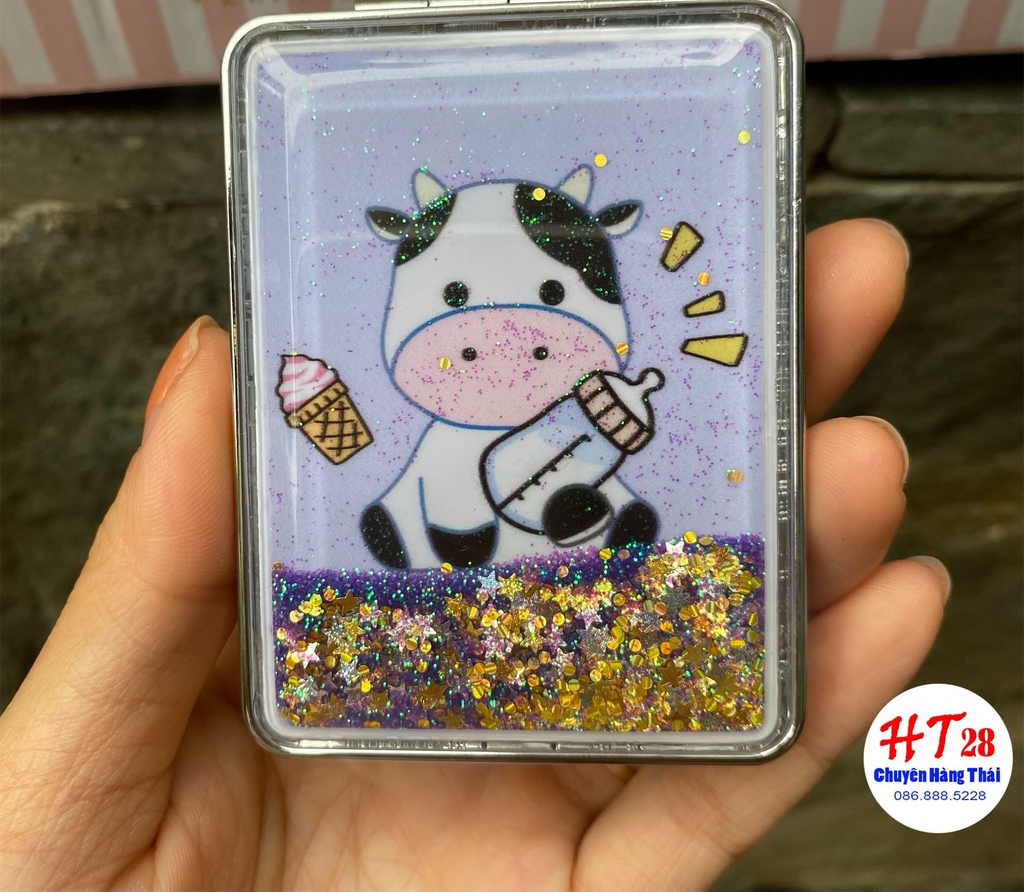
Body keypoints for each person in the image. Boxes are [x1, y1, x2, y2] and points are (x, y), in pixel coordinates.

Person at [0, 218, 948, 891]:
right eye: (454, 298)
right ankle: (479, 543)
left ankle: (556, 538)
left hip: (571, 646)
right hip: (378, 693)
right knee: (451, 518)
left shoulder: (581, 425)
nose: (499, 338)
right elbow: (422, 491)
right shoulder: (442, 444)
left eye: (551, 296)